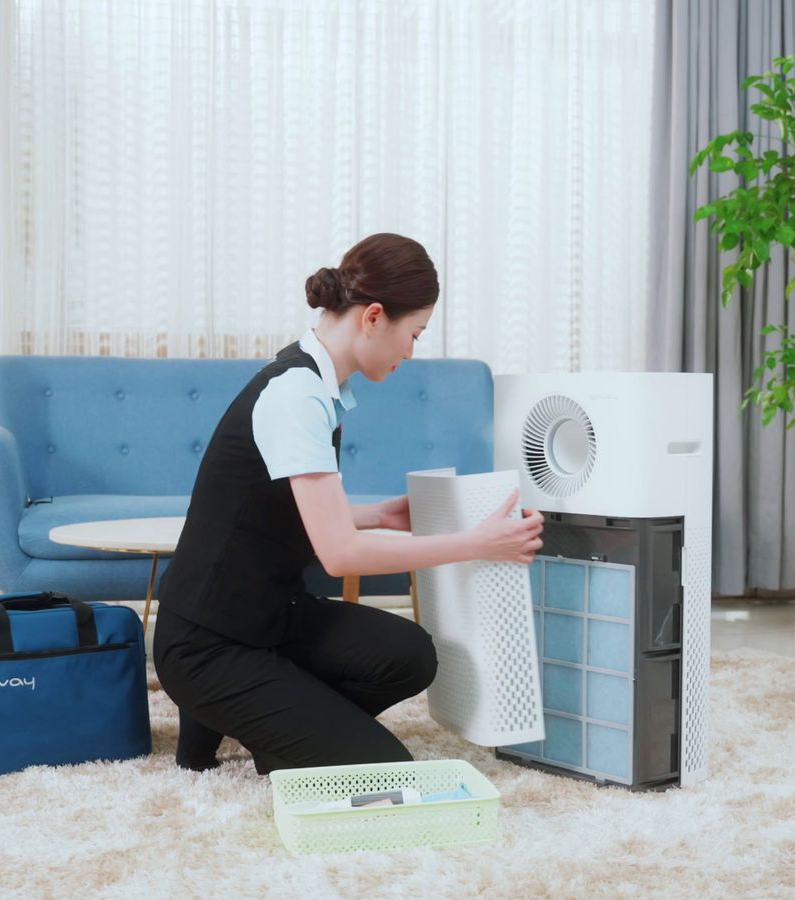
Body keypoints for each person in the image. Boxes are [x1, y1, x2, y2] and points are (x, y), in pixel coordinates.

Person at [152, 232, 545, 775]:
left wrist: (379, 516)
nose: (411, 351)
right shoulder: (297, 396)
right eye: (414, 333)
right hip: (207, 644)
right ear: (374, 317)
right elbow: (339, 555)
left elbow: (277, 510)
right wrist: (477, 544)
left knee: (410, 656)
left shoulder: (314, 383)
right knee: (382, 766)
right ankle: (265, 724)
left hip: (264, 619)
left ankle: (281, 726)